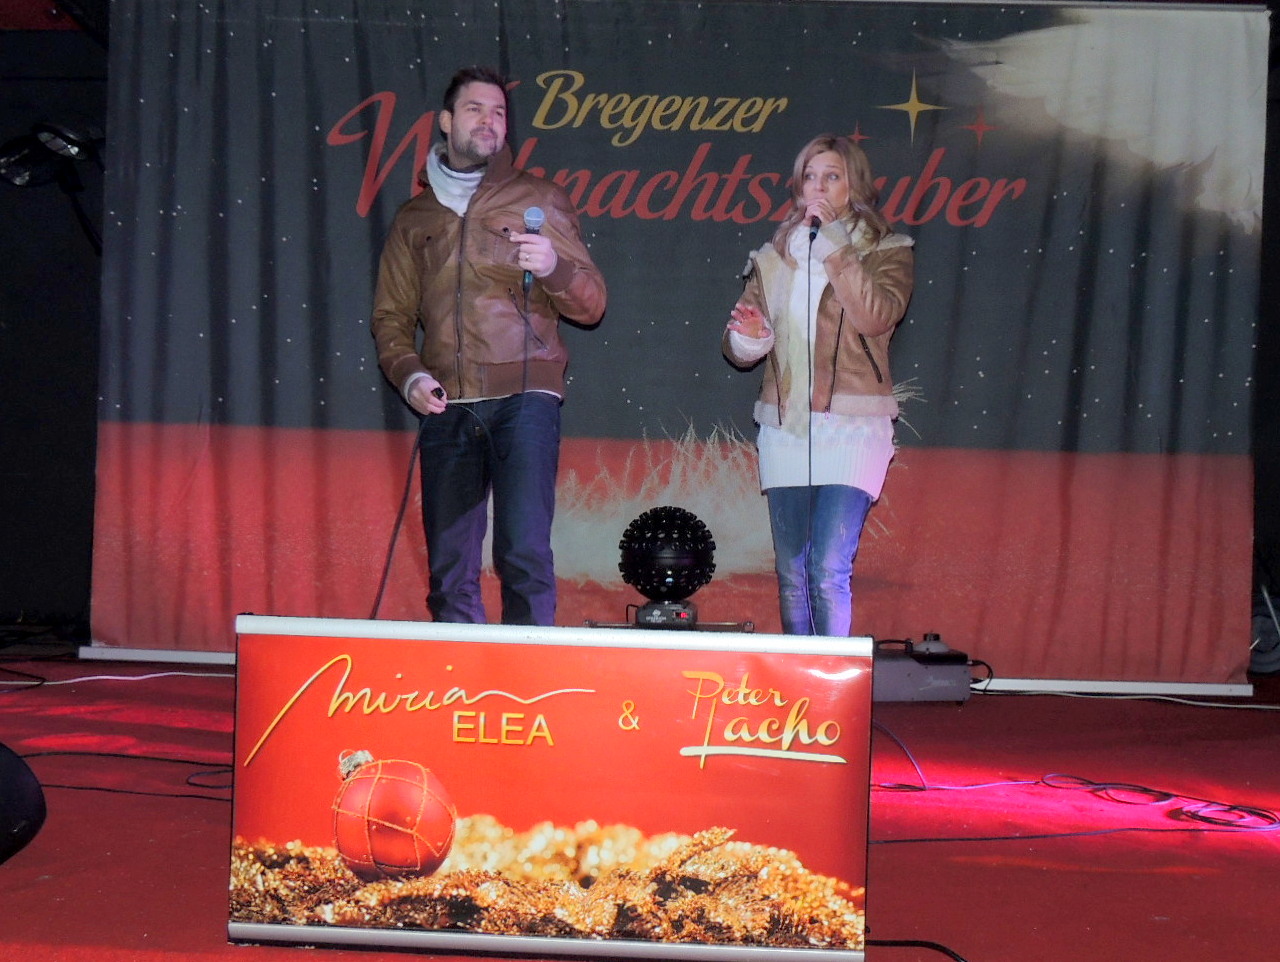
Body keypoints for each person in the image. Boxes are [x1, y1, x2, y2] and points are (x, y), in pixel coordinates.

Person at [371, 65, 607, 625]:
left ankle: (529, 675)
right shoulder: (414, 218)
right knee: (450, 571)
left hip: (525, 395)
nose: (490, 120)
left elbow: (592, 304)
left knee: (523, 555)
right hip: (448, 404)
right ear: (446, 121)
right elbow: (390, 317)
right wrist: (410, 374)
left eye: (499, 112)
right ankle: (463, 677)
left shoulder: (539, 198)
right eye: (476, 109)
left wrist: (553, 268)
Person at [722, 134, 913, 636]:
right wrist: (750, 337)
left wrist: (837, 249)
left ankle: (828, 682)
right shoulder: (773, 256)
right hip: (786, 426)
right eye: (810, 176)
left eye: (832, 176)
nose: (819, 187)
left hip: (852, 425)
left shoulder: (888, 250)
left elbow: (876, 318)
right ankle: (798, 682)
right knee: (792, 574)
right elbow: (740, 342)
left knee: (827, 569)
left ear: (855, 185)